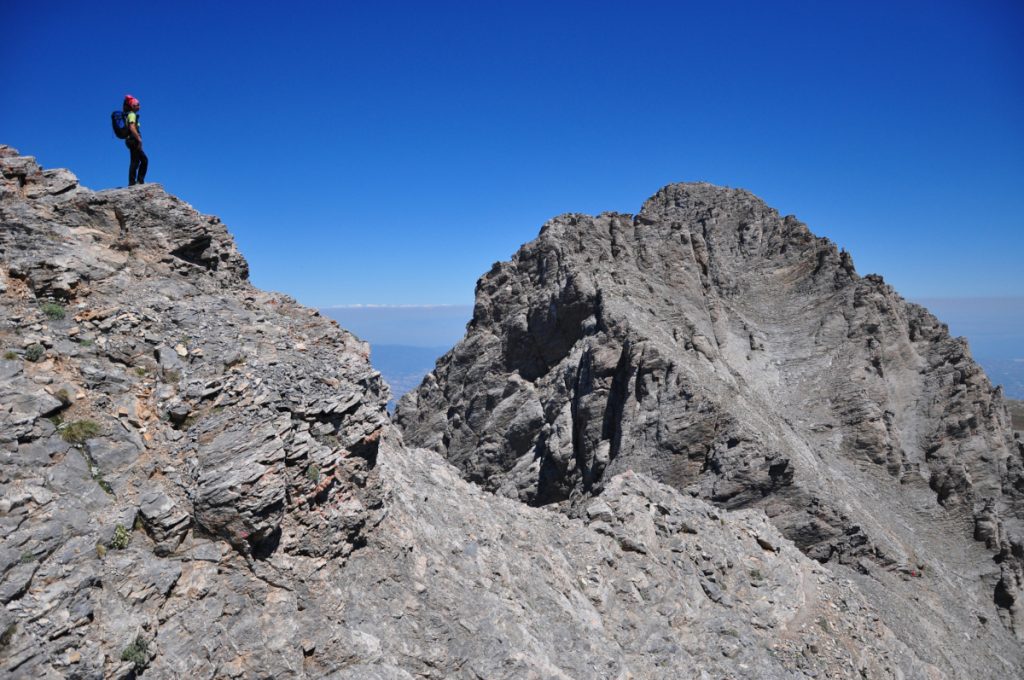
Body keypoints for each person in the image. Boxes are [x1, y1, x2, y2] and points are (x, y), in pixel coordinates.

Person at [123, 94, 147, 186]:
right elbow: (132, 128)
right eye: (138, 104)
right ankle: (133, 183)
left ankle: (137, 181)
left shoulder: (131, 115)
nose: (139, 106)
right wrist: (139, 139)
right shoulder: (132, 115)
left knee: (140, 160)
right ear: (133, 106)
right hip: (133, 140)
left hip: (131, 140)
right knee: (136, 161)